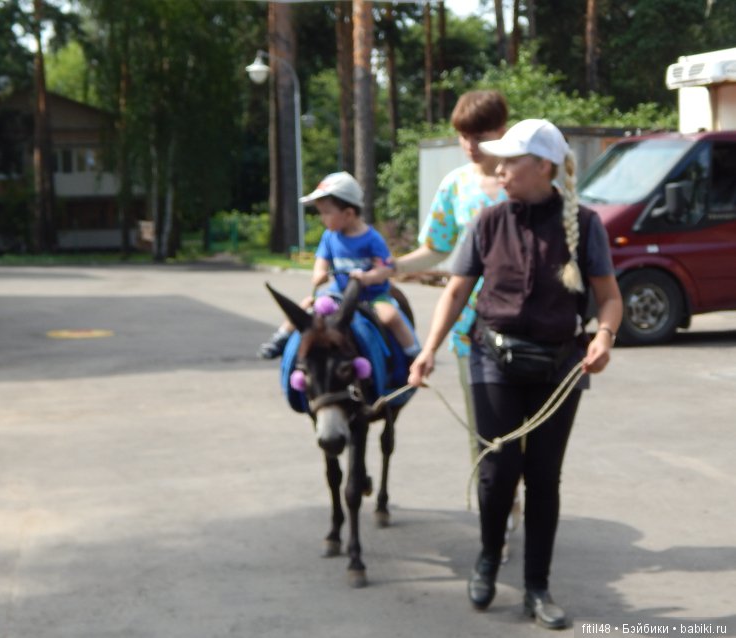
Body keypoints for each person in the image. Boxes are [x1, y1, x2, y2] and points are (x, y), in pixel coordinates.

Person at [408, 119, 623, 630]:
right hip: (491, 359)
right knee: (497, 469)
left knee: (543, 477)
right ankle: (486, 558)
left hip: (560, 368)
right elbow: (457, 291)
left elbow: (610, 298)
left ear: (543, 167)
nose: (499, 170)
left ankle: (538, 587)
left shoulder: (586, 225)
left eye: (510, 161)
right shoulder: (487, 223)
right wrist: (428, 350)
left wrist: (604, 338)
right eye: (497, 161)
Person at [394, 89, 508, 463]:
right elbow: (437, 248)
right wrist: (391, 268)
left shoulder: (524, 181)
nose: (470, 145)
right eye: (463, 136)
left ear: (502, 130)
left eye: (479, 136)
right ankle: (496, 504)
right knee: (483, 426)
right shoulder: (456, 185)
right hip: (470, 330)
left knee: (523, 425)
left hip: (527, 324)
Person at [258, 171, 419, 359]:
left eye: (326, 213)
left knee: (391, 316)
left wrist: (368, 277)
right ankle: (281, 337)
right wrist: (319, 273)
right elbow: (322, 261)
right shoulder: (329, 237)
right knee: (305, 307)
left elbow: (385, 268)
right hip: (337, 293)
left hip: (372, 295)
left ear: (348, 213)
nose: (322, 218)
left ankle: (413, 354)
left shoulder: (372, 238)